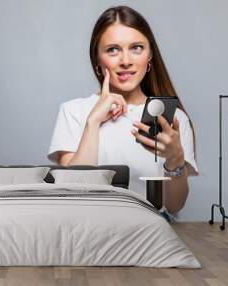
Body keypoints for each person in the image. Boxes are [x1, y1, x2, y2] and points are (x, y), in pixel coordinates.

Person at [47, 6, 199, 214]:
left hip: (150, 228)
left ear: (150, 58)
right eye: (113, 49)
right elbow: (76, 192)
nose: (126, 61)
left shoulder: (172, 118)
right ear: (97, 61)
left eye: (136, 47)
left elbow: (174, 206)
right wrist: (93, 123)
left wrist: (175, 159)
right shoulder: (74, 111)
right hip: (90, 226)